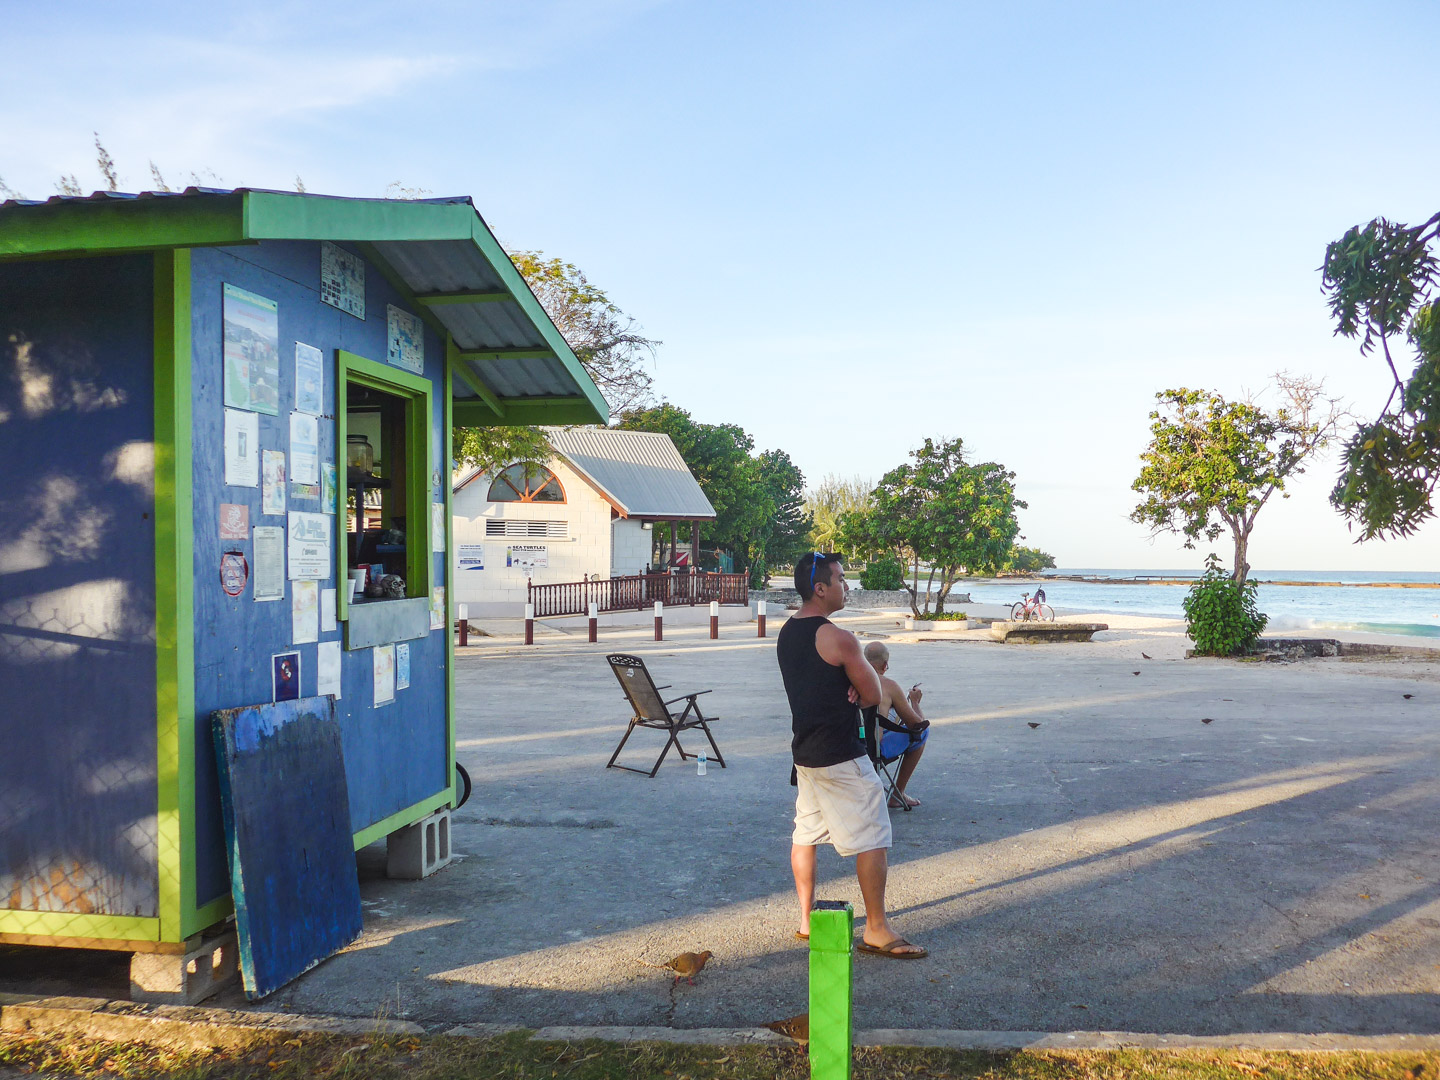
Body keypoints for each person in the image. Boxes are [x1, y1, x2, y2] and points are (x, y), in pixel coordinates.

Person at [776, 551, 927, 959]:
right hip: (841, 753)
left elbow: (817, 685)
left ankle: (807, 920)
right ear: (820, 588)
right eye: (841, 579)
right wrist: (855, 685)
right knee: (873, 835)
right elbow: (875, 693)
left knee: (805, 833)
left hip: (805, 753)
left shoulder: (788, 632)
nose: (847, 586)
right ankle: (876, 929)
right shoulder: (839, 638)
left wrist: (850, 684)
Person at [862, 641, 930, 808]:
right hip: (873, 750)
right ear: (885, 665)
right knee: (924, 732)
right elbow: (917, 726)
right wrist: (914, 702)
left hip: (849, 745)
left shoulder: (847, 680)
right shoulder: (889, 686)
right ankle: (897, 793)